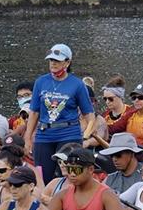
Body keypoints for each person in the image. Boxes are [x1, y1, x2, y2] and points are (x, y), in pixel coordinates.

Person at [23, 44, 97, 187]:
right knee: (42, 177)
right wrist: (28, 137)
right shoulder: (41, 82)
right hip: (44, 134)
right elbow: (34, 112)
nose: (53, 63)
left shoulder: (77, 84)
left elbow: (90, 116)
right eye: (51, 60)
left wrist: (86, 136)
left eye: (57, 60)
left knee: (71, 174)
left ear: (67, 62)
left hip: (69, 134)